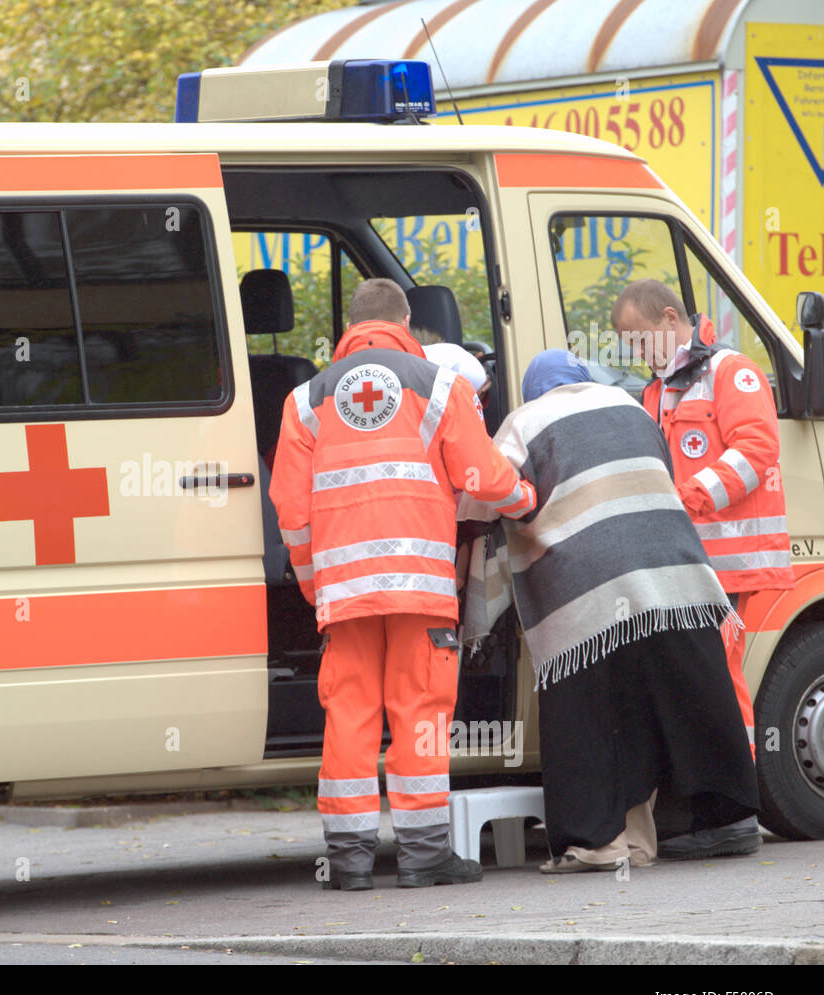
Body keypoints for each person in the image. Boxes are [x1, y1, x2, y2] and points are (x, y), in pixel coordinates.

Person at [269, 278, 536, 890]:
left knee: (351, 713)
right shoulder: (438, 385)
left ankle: (349, 861)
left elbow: (291, 509)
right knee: (419, 712)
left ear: (350, 329)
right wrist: (526, 499)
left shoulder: (305, 400)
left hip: (347, 591)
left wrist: (317, 587)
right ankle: (422, 856)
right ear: (407, 323)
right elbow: (483, 475)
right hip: (419, 587)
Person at [459, 350, 760, 872]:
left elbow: (487, 497)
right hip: (677, 578)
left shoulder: (524, 420)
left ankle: (597, 843)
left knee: (589, 712)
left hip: (587, 589)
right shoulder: (631, 406)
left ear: (536, 390)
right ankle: (717, 820)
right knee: (672, 696)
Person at [612, 280, 790, 859]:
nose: (638, 353)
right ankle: (710, 809)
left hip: (728, 564)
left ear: (670, 317)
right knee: (703, 682)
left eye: (641, 339)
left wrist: (691, 497)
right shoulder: (658, 390)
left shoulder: (730, 372)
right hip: (687, 564)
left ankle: (732, 814)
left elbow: (757, 449)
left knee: (719, 681)